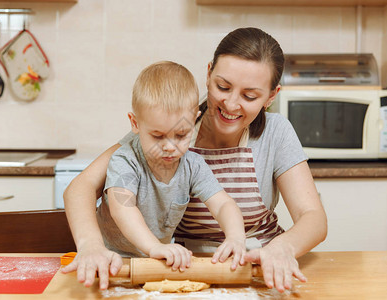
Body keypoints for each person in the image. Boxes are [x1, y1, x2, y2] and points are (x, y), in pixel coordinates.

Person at [62, 27, 327, 293]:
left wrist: (282, 248)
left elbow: (313, 217)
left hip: (259, 265)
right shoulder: (171, 124)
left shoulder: (276, 132)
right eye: (223, 86)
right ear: (209, 73)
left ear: (271, 96)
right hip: (185, 266)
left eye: (249, 96)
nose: (232, 104)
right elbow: (81, 188)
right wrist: (91, 245)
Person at [97, 61, 247, 271]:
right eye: (157, 136)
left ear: (194, 120)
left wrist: (236, 237)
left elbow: (222, 204)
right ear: (135, 123)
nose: (169, 147)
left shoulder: (193, 165)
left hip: (158, 260)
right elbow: (123, 209)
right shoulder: (126, 160)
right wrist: (154, 247)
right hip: (115, 260)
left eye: (181, 134)